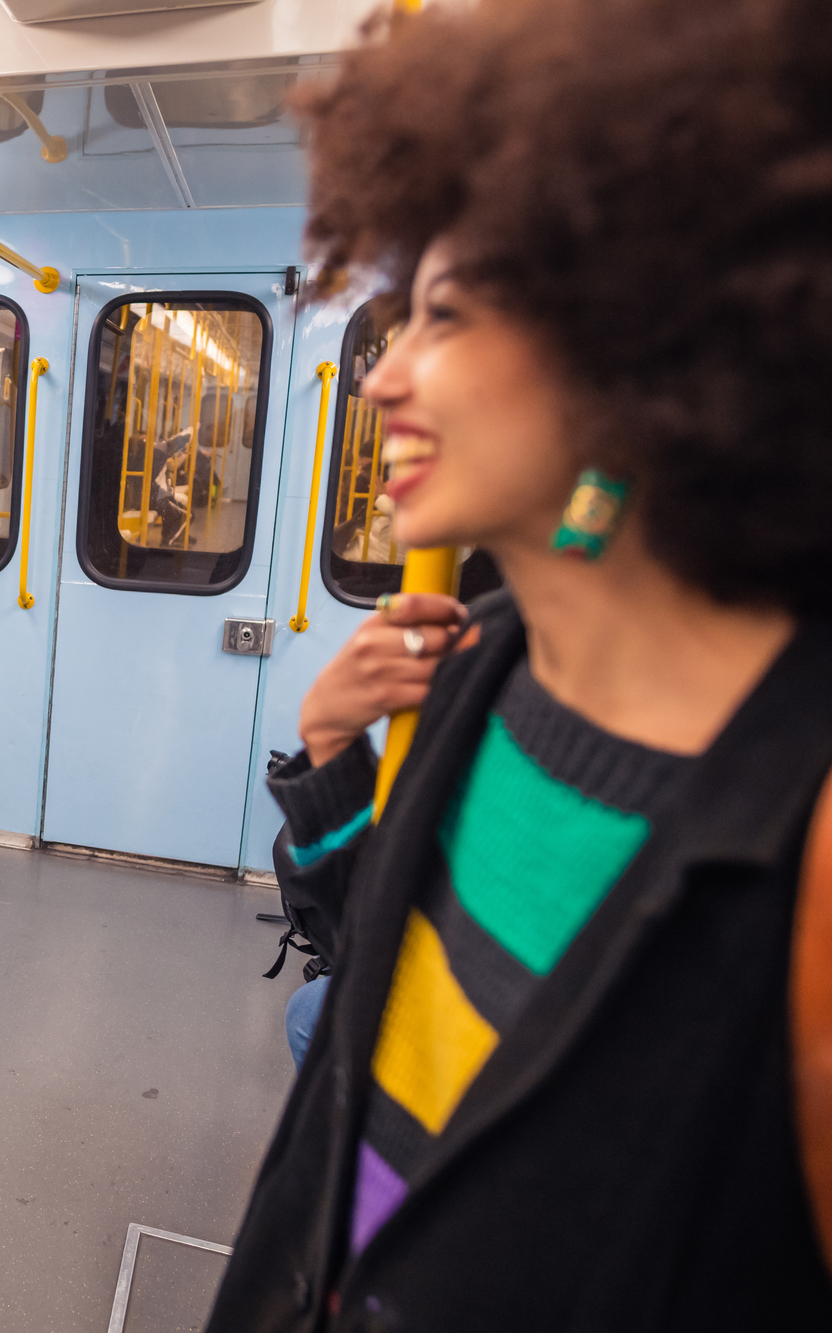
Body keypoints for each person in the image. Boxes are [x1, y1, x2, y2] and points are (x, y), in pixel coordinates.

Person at [209, 0, 832, 1326]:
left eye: (448, 313)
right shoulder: (483, 664)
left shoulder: (801, 808)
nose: (386, 377)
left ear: (635, 329)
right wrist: (328, 759)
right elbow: (363, 974)